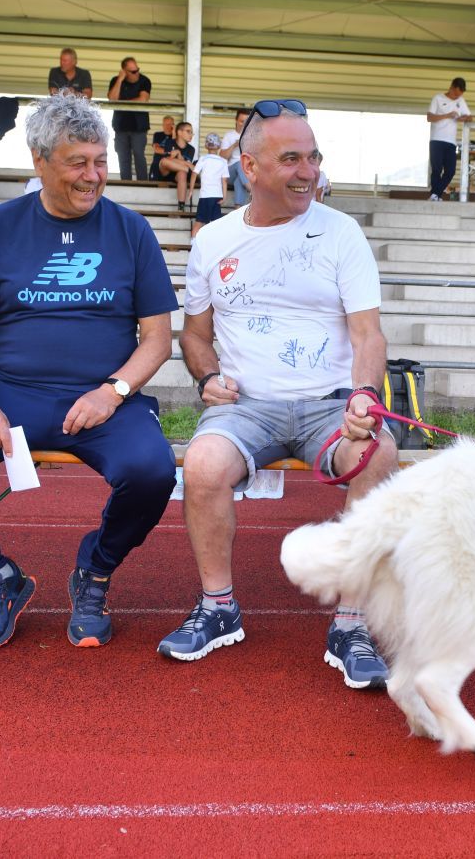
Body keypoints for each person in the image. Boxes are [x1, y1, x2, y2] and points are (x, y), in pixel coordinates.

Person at [0, 93, 179, 651]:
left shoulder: (132, 231)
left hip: (101, 401)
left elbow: (158, 340)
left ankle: (94, 572)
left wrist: (113, 391)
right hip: (9, 394)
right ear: (39, 161)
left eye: (100, 161)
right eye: (78, 163)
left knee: (151, 472)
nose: (93, 176)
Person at [160, 99, 399, 691]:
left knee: (378, 455)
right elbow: (194, 334)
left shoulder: (342, 233)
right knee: (204, 463)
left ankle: (352, 623)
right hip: (247, 408)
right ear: (249, 167)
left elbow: (368, 332)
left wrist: (364, 397)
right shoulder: (213, 239)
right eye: (290, 158)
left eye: (313, 157)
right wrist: (207, 376)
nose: (308, 171)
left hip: (330, 404)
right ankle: (219, 608)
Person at [426, 77, 472, 202]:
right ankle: (436, 196)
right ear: (451, 87)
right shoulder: (438, 98)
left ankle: (435, 194)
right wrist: (448, 115)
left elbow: (470, 117)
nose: (457, 96)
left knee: (451, 171)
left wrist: (462, 118)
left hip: (451, 141)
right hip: (436, 139)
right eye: (456, 93)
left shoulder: (461, 101)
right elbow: (429, 117)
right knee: (436, 169)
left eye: (460, 94)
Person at [107, 56, 151, 181]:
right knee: (123, 156)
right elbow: (112, 98)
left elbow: (143, 99)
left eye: (137, 69)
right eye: (132, 71)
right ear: (124, 71)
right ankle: (125, 182)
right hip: (120, 126)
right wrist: (120, 80)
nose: (136, 73)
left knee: (138, 154)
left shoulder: (144, 80)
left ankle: (143, 183)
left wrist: (122, 103)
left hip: (139, 127)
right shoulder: (116, 80)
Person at [189, 131, 228, 238]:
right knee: (215, 223)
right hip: (217, 196)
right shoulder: (223, 161)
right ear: (219, 146)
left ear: (206, 145)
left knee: (199, 221)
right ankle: (213, 245)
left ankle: (193, 243)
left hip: (205, 196)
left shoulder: (203, 159)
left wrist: (191, 190)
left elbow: (194, 174)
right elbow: (224, 181)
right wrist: (225, 197)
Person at [155, 120, 197, 210]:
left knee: (182, 173)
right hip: (167, 172)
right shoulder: (170, 142)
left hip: (179, 174)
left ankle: (181, 206)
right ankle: (188, 170)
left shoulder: (191, 149)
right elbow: (169, 160)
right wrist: (186, 164)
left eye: (192, 132)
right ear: (179, 132)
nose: (191, 134)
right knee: (163, 161)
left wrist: (179, 154)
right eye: (188, 131)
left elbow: (176, 161)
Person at [218, 108, 250, 207]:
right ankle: (253, 191)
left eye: (246, 121)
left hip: (244, 174)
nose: (244, 124)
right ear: (236, 120)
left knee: (239, 181)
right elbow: (223, 157)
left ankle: (237, 208)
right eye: (241, 121)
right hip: (229, 173)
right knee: (240, 164)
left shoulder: (251, 136)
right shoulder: (229, 135)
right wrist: (234, 145)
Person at [149, 115, 175, 181]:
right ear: (162, 125)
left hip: (169, 166)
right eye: (165, 124)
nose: (167, 126)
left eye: (169, 124)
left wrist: (174, 133)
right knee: (153, 185)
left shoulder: (176, 136)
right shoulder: (157, 135)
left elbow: (176, 148)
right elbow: (156, 149)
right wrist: (169, 151)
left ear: (173, 125)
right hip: (156, 164)